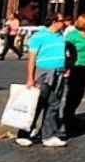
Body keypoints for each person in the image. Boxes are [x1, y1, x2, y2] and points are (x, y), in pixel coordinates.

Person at [16, 13, 72, 148]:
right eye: (61, 21)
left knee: (53, 104)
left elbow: (64, 54)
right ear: (54, 22)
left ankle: (48, 135)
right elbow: (32, 58)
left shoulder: (61, 36)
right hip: (43, 73)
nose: (64, 23)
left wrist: (66, 67)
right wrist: (30, 78)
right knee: (36, 104)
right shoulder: (38, 36)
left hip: (59, 73)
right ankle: (24, 134)